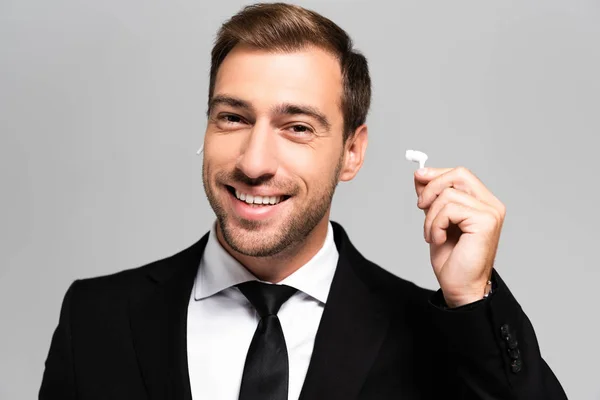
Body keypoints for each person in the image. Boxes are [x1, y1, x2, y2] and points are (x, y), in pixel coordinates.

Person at [39, 3, 567, 399]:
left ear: (351, 153)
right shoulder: (95, 318)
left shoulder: (435, 335)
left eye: (296, 127)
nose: (254, 161)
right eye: (233, 117)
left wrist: (473, 297)